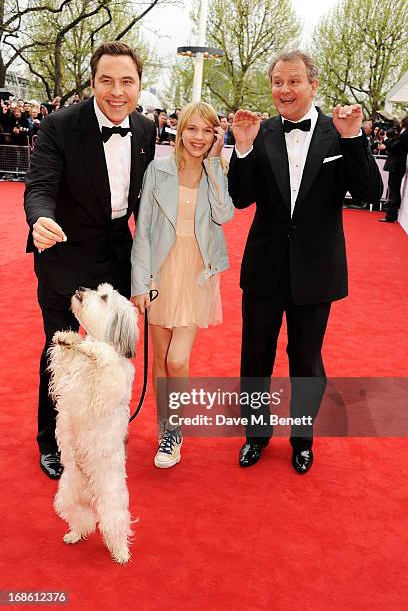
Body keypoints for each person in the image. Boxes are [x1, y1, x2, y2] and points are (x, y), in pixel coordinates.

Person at [228, 50, 382, 473]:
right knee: (255, 357)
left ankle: (302, 439)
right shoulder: (260, 132)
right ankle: (255, 436)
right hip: (264, 267)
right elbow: (241, 198)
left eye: (294, 81)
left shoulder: (340, 132)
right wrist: (241, 148)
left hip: (316, 269)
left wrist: (353, 138)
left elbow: (369, 192)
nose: (284, 89)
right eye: (278, 81)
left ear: (313, 85)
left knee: (307, 361)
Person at [24, 41, 156, 479]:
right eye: (106, 80)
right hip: (65, 255)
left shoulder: (146, 130)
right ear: (93, 82)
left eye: (127, 81)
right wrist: (41, 219)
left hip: (117, 260)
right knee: (60, 353)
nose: (117, 91)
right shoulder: (61, 126)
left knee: (112, 356)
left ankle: (105, 431)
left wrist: (149, 265)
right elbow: (40, 185)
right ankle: (53, 441)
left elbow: (146, 204)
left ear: (139, 84)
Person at [131, 101, 234, 469]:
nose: (199, 137)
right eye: (193, 129)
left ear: (215, 135)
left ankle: (175, 426)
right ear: (179, 129)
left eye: (208, 131)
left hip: (196, 273)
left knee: (178, 358)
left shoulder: (217, 169)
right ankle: (168, 430)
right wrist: (139, 283)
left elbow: (224, 215)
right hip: (160, 271)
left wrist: (215, 163)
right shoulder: (158, 171)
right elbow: (143, 230)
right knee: (160, 359)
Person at [379, 116, 408, 223]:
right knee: (393, 189)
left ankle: (391, 215)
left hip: (397, 165)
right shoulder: (403, 134)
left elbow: (393, 147)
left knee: (394, 190)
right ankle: (391, 213)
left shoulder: (405, 134)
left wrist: (386, 139)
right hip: (397, 165)